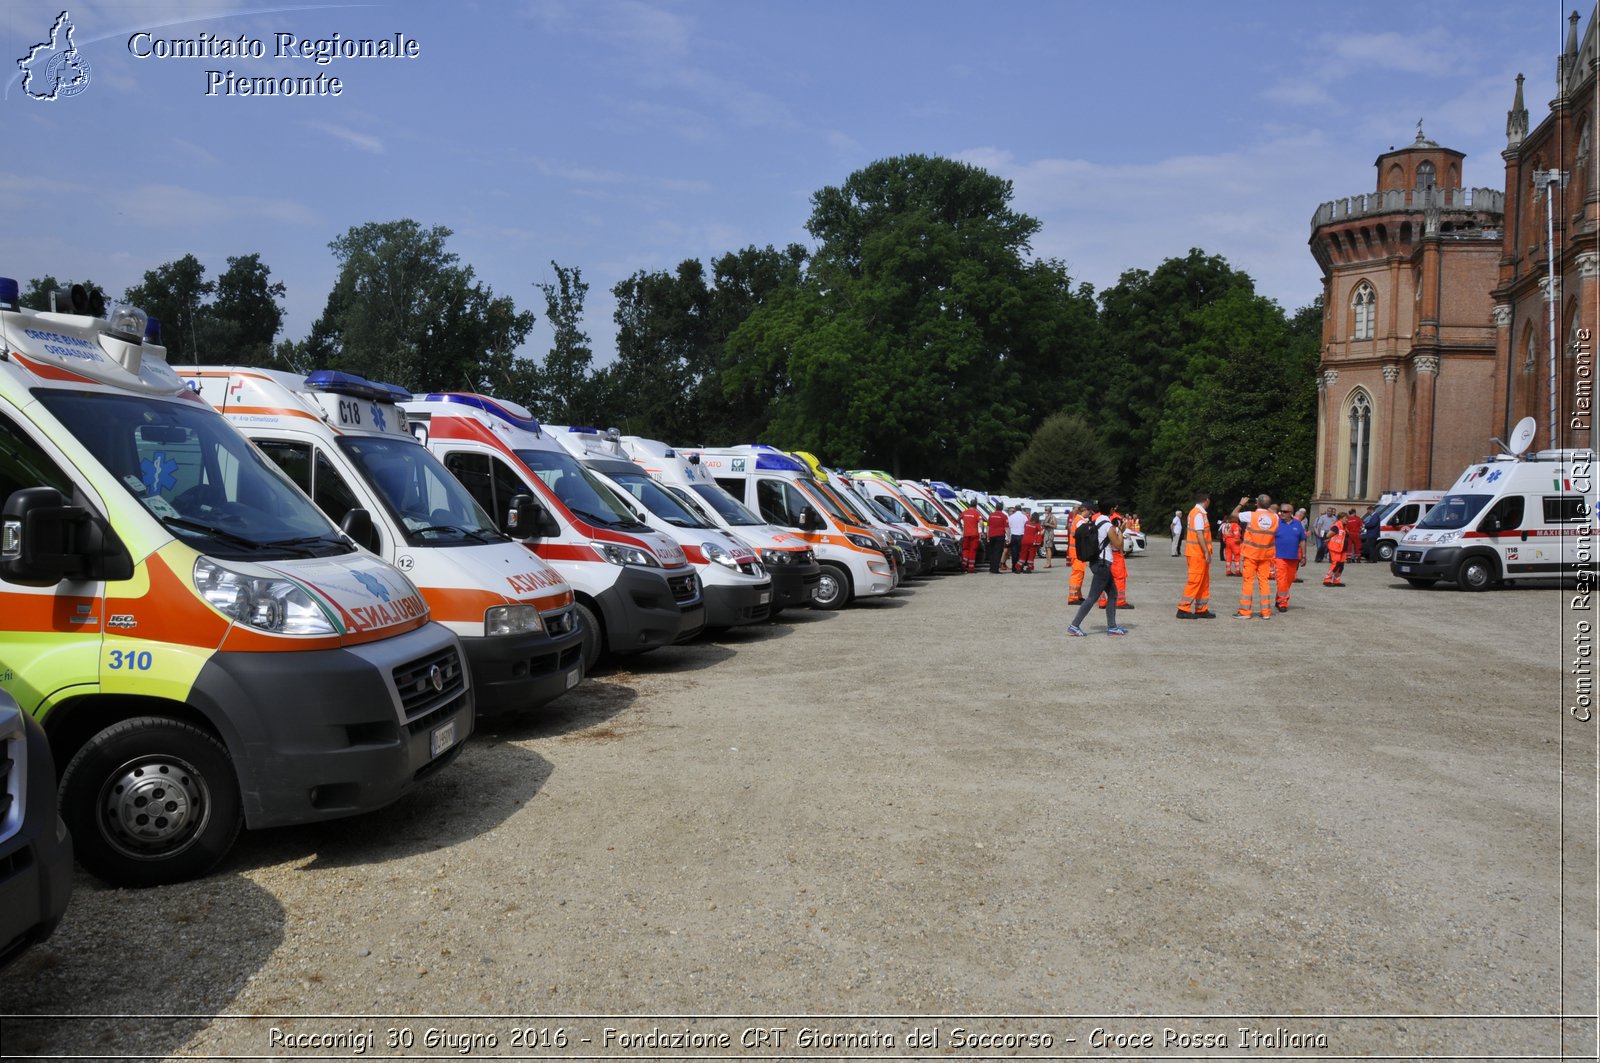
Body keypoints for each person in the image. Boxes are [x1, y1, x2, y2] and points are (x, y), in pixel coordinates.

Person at [1068, 499, 1128, 637]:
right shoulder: (1107, 525)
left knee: (1113, 594)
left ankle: (1112, 627)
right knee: (1092, 597)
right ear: (1112, 510)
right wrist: (1121, 531)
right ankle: (1074, 625)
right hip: (1103, 564)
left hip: (1097, 562)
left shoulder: (1097, 519)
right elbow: (1118, 545)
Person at [1231, 494, 1279, 619]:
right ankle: (1266, 612)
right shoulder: (1275, 517)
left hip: (1251, 554)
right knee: (1264, 582)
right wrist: (1264, 505)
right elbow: (1268, 511)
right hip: (1266, 555)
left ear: (1257, 503)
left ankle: (1245, 612)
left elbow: (1233, 515)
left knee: (1248, 581)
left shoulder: (1251, 515)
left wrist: (1241, 504)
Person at [1176, 491, 1215, 619]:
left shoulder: (1197, 513)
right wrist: (1206, 551)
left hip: (1197, 553)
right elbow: (1200, 534)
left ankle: (1201, 608)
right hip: (1197, 553)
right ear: (1207, 500)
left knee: (1203, 581)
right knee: (1195, 581)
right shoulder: (1198, 514)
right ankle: (1183, 608)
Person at [1273, 505, 1308, 612]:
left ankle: (1279, 598)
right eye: (1280, 511)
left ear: (1291, 513)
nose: (1281, 513)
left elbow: (1302, 540)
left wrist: (1304, 555)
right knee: (1282, 579)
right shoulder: (1276, 523)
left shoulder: (1297, 524)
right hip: (1279, 556)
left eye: (1284, 511)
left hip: (1293, 557)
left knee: (1289, 580)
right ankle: (1283, 602)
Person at [1098, 506, 1133, 610]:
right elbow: (1118, 542)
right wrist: (1121, 532)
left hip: (1103, 555)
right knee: (1119, 578)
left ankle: (1102, 601)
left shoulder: (1099, 518)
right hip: (1116, 555)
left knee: (1104, 578)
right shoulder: (1115, 521)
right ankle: (1120, 601)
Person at [1066, 503, 1091, 604]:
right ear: (1085, 511)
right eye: (1089, 512)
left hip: (1076, 552)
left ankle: (1078, 595)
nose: (1090, 514)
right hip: (1078, 553)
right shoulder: (1080, 521)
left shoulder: (1077, 519)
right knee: (1077, 574)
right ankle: (1073, 598)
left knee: (1079, 574)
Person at [1323, 516, 1349, 586]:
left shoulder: (1344, 527)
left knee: (1341, 565)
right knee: (1335, 564)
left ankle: (1336, 581)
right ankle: (1327, 580)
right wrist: (1327, 540)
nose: (1347, 519)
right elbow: (1328, 535)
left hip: (1342, 549)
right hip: (1336, 548)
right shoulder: (1336, 526)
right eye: (1345, 518)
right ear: (1340, 519)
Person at [958, 498, 982, 573]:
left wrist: (961, 527)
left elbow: (958, 519)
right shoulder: (976, 513)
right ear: (976, 505)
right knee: (973, 551)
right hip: (974, 534)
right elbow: (981, 522)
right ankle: (971, 568)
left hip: (966, 534)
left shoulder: (964, 512)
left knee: (965, 549)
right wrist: (982, 529)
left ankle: (963, 565)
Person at [986, 504, 1008, 573]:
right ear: (1002, 509)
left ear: (995, 508)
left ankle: (991, 568)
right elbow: (1006, 528)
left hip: (991, 536)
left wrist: (987, 536)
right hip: (1000, 536)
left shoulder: (991, 515)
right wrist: (1009, 537)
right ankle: (995, 569)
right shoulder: (1004, 516)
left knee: (992, 552)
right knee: (998, 553)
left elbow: (988, 527)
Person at [1221, 511, 1243, 577]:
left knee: (1228, 556)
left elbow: (1224, 533)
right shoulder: (1235, 525)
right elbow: (1237, 533)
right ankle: (1237, 571)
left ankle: (1228, 571)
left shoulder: (1226, 525)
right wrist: (1239, 540)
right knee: (1237, 556)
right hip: (1234, 541)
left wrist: (1225, 540)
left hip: (1227, 541)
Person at [1006, 504, 1027, 572]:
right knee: (1021, 552)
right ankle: (1020, 567)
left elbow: (1008, 526)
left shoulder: (1011, 517)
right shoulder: (1024, 517)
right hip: (1021, 535)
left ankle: (1014, 567)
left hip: (1014, 535)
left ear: (1015, 509)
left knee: (1014, 552)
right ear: (1021, 509)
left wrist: (1008, 537)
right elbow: (1026, 526)